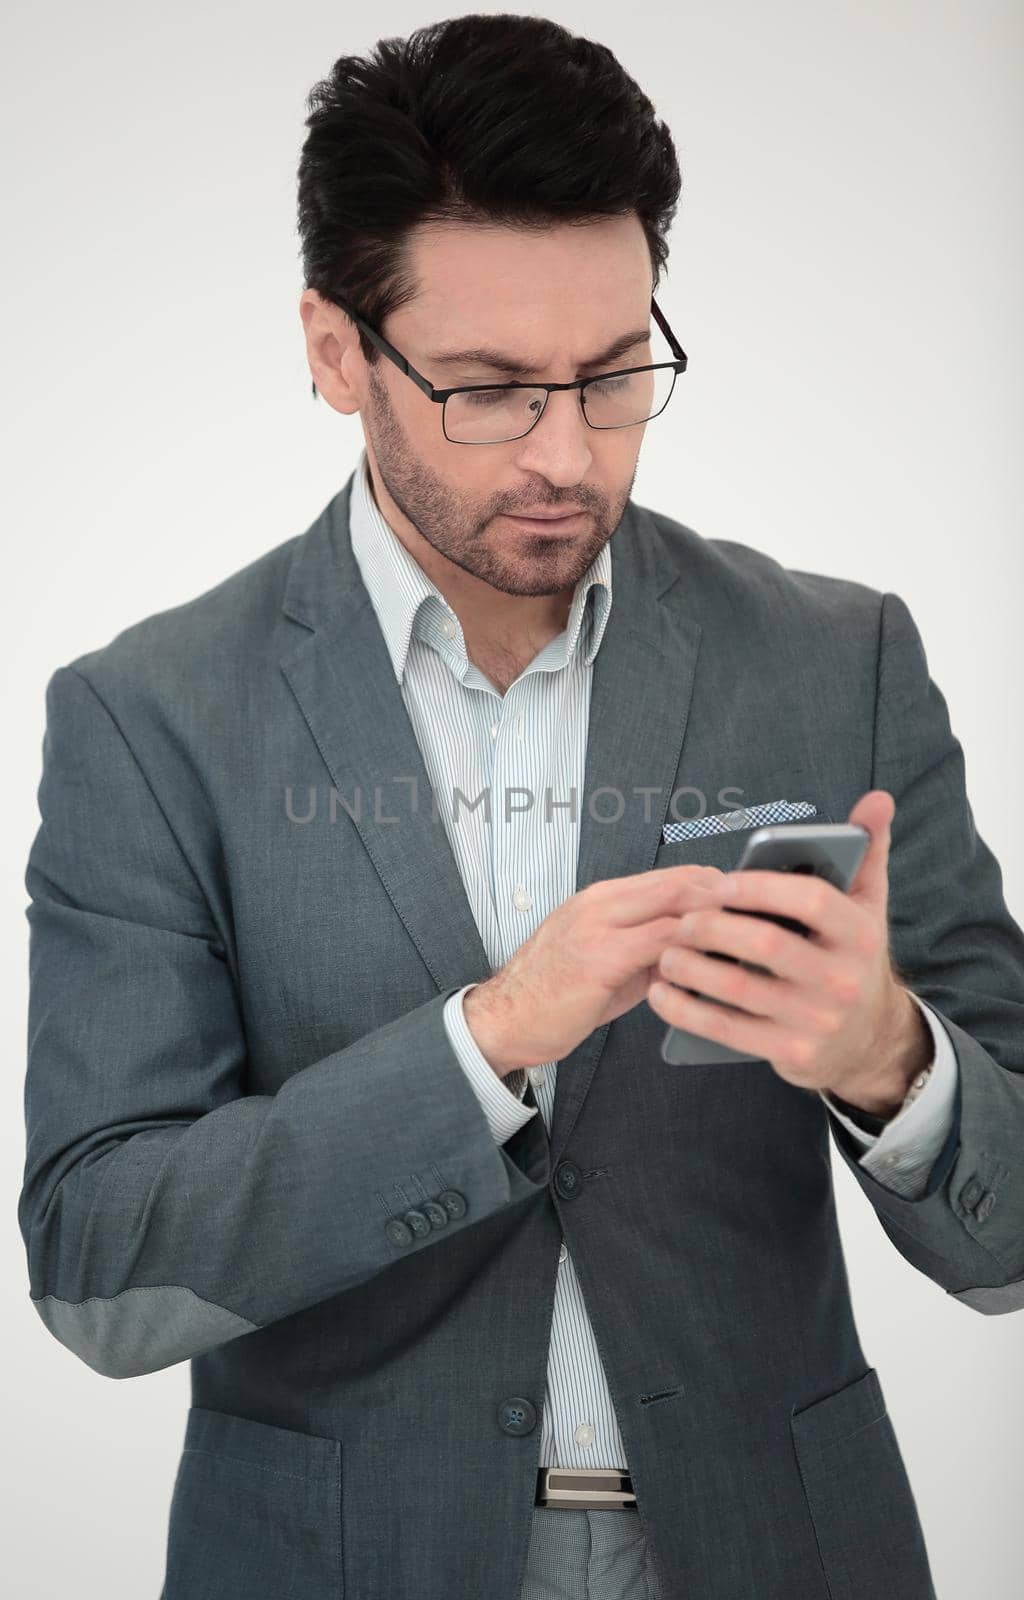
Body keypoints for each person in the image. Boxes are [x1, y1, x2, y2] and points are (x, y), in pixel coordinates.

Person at [18, 14, 1024, 1600]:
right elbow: (100, 1273)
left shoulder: (842, 663)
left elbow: (1013, 1232)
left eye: (616, 376)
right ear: (339, 351)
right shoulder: (152, 718)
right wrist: (486, 1043)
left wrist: (891, 1063)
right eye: (488, 389)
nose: (568, 453)